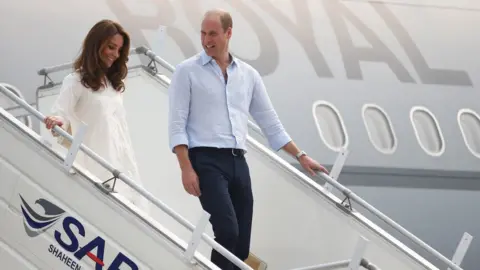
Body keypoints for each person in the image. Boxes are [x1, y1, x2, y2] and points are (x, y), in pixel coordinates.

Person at [168, 8, 329, 270]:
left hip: (238, 163)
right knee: (227, 231)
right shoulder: (186, 71)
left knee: (241, 246)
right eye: (203, 33)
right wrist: (186, 168)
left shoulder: (248, 75)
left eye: (213, 33)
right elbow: (176, 125)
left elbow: (270, 123)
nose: (206, 39)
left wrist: (301, 156)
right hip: (205, 161)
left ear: (229, 33)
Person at [44, 19, 149, 213]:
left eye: (119, 50)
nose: (115, 55)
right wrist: (57, 121)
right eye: (111, 47)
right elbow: (61, 113)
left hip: (121, 162)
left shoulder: (114, 87)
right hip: (94, 164)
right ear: (96, 44)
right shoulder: (75, 81)